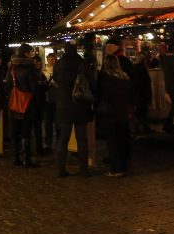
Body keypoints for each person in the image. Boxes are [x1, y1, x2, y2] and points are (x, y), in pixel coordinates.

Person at [52, 42, 95, 177]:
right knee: (81, 138)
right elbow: (92, 82)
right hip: (81, 104)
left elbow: (55, 79)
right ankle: (83, 169)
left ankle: (60, 169)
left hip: (64, 105)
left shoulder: (59, 64)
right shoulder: (82, 63)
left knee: (63, 138)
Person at [97, 50, 134, 176]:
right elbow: (130, 96)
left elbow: (101, 95)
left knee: (112, 142)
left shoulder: (104, 78)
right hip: (123, 112)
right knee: (122, 140)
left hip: (110, 113)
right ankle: (124, 166)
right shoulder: (125, 77)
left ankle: (116, 169)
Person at [6, 43, 40, 167]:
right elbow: (34, 88)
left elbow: (8, 85)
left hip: (14, 102)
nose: (32, 54)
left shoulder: (12, 67)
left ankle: (15, 157)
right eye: (30, 52)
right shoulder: (30, 68)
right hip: (27, 104)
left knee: (15, 131)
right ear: (26, 53)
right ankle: (27, 158)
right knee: (26, 131)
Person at [42, 51, 58, 153]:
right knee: (47, 122)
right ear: (47, 59)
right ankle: (48, 143)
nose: (51, 61)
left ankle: (59, 142)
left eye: (53, 59)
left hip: (56, 98)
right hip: (47, 98)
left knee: (58, 122)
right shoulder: (43, 70)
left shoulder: (58, 70)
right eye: (50, 59)